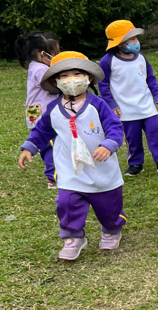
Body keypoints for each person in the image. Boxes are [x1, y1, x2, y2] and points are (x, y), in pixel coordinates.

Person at [17, 52, 126, 260]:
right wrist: (29, 147)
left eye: (77, 74)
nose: (71, 80)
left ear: (88, 78)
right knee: (66, 203)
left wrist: (108, 145)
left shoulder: (98, 105)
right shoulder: (53, 108)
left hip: (101, 167)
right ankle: (73, 236)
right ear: (55, 82)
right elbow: (42, 131)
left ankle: (111, 229)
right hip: (70, 169)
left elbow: (114, 127)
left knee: (109, 207)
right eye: (64, 76)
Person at [98, 20, 158, 176]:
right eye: (131, 39)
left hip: (147, 107)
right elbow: (103, 85)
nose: (136, 42)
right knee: (132, 138)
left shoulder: (141, 57)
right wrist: (112, 105)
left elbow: (150, 78)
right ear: (119, 43)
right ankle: (135, 163)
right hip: (125, 110)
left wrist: (157, 96)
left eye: (136, 38)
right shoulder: (107, 61)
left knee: (156, 134)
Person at [15, 30, 60, 188]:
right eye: (56, 54)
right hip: (43, 116)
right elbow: (52, 88)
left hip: (38, 114)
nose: (58, 57)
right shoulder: (41, 70)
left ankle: (56, 174)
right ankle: (54, 177)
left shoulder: (35, 66)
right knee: (51, 146)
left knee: (50, 145)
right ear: (43, 54)